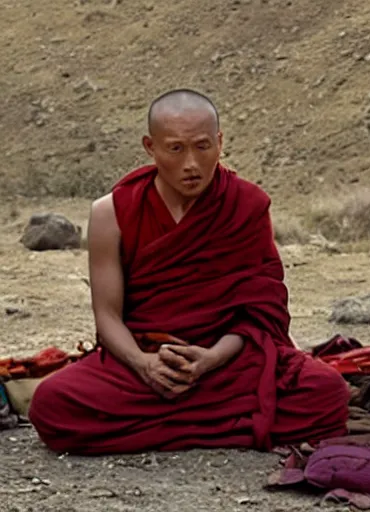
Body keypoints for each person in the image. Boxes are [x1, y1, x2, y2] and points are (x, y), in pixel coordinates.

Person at [27, 89, 350, 454]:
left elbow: (259, 313)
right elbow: (107, 316)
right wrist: (145, 365)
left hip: (229, 362)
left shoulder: (247, 204)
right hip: (145, 360)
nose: (192, 164)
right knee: (51, 404)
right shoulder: (111, 213)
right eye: (175, 149)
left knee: (328, 392)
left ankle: (165, 429)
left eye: (202, 146)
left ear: (220, 142)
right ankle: (237, 428)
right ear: (150, 147)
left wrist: (211, 358)